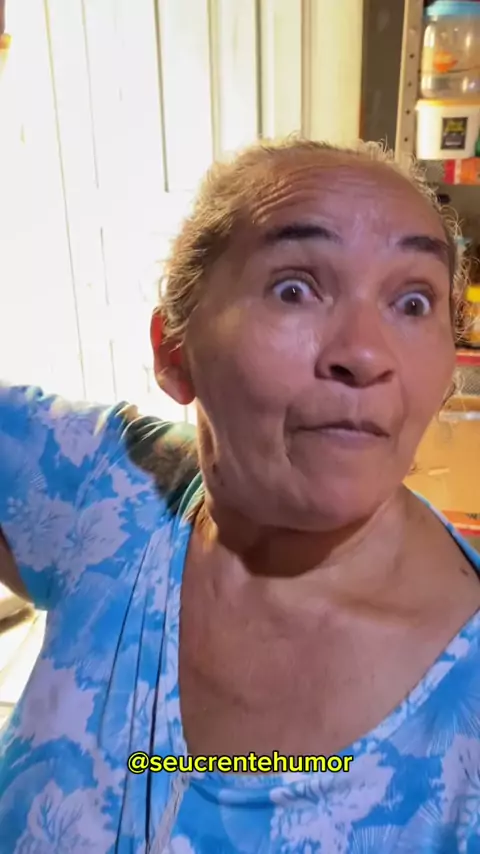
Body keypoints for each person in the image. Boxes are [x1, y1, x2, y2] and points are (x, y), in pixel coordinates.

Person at [0, 137, 479, 854]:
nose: (365, 353)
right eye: (295, 289)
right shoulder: (107, 486)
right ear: (174, 351)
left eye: (413, 302)